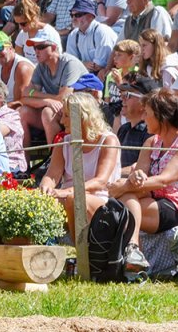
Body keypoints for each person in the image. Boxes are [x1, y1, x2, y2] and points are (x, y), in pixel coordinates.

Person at [110, 90, 178, 272]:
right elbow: (139, 178)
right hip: (156, 199)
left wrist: (121, 186)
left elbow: (164, 180)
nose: (144, 117)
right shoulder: (151, 142)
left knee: (123, 206)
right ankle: (133, 250)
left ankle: (132, 250)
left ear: (161, 116)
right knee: (128, 198)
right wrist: (134, 178)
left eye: (147, 113)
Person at [39, 90, 120, 231]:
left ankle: (78, 250)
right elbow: (52, 176)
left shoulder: (108, 140)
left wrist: (68, 192)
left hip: (99, 199)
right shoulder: (63, 142)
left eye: (66, 116)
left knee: (73, 200)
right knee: (37, 201)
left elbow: (101, 181)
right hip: (66, 197)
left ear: (83, 117)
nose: (62, 121)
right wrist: (46, 187)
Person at [20, 27, 86, 144]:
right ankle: (23, 160)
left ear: (54, 47)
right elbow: (24, 97)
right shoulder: (41, 66)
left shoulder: (69, 63)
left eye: (41, 47)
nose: (36, 51)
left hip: (82, 111)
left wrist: (36, 95)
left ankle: (54, 156)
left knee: (47, 112)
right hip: (61, 111)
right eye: (35, 47)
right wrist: (46, 101)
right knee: (22, 111)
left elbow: (62, 98)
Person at [65, 0, 117, 73]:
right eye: (71, 15)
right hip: (85, 73)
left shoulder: (101, 31)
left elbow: (99, 66)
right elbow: (70, 62)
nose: (73, 19)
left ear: (90, 16)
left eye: (78, 15)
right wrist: (83, 64)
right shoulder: (73, 34)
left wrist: (78, 64)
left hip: (105, 73)